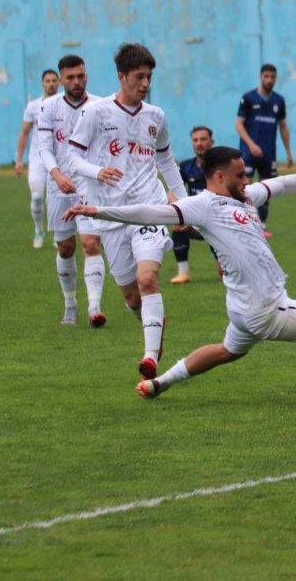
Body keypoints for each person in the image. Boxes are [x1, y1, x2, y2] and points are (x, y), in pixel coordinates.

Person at [63, 146, 296, 399]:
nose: (247, 181)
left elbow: (282, 184)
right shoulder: (204, 205)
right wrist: (97, 211)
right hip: (263, 309)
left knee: (227, 350)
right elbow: (152, 212)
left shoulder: (242, 198)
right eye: (240, 175)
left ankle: (159, 383)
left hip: (244, 307)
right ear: (218, 177)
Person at [66, 43, 187, 380]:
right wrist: (96, 171)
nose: (145, 83)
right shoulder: (97, 112)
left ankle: (150, 356)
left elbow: (165, 159)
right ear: (122, 76)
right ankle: (151, 323)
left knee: (148, 278)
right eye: (139, 77)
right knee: (132, 295)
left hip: (149, 208)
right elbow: (72, 157)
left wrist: (181, 199)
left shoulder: (156, 116)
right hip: (111, 214)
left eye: (149, 77)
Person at [36, 54, 106, 327]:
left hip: (90, 186)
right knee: (66, 248)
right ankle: (70, 303)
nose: (77, 82)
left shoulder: (100, 105)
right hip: (59, 188)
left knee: (91, 243)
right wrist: (56, 174)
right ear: (61, 79)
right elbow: (44, 147)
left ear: (86, 76)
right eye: (71, 77)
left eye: (81, 76)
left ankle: (95, 308)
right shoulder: (49, 108)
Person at [235, 63, 293, 238]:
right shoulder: (249, 98)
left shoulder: (279, 101)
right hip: (248, 152)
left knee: (267, 189)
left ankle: (261, 226)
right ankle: (241, 223)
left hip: (269, 153)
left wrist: (289, 153)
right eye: (266, 76)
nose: (269, 80)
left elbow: (283, 127)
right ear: (261, 77)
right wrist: (251, 144)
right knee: (243, 188)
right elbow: (238, 124)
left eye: (272, 77)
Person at [14, 68, 60, 249]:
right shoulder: (33, 106)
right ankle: (39, 230)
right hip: (37, 159)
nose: (50, 84)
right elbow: (24, 133)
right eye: (47, 80)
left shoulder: (64, 104)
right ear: (42, 83)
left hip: (59, 159)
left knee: (56, 199)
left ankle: (58, 233)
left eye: (53, 80)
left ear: (59, 83)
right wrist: (19, 159)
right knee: (37, 197)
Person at [170, 125, 218, 284]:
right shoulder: (185, 166)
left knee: (224, 274)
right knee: (178, 224)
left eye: (203, 139)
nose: (199, 143)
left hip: (218, 220)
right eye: (195, 140)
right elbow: (172, 191)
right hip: (195, 220)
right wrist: (177, 210)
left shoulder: (222, 165)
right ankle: (183, 273)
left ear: (212, 141)